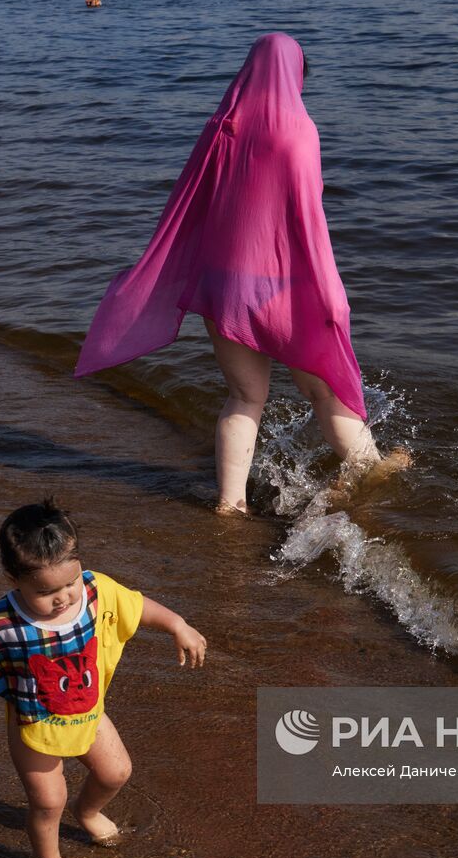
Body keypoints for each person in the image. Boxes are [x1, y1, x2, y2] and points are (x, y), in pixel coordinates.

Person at [75, 33, 409, 515]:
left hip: (222, 286)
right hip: (280, 289)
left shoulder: (221, 128)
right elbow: (309, 224)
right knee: (324, 389)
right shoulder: (299, 131)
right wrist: (332, 293)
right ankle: (368, 468)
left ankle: (230, 504)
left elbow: (191, 206)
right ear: (295, 76)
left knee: (244, 395)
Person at [0, 499, 207, 858]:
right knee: (48, 802)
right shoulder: (5, 622)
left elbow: (137, 605)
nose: (62, 597)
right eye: (46, 591)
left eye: (69, 583)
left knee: (116, 772)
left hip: (87, 712)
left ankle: (88, 810)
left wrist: (177, 624)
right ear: (14, 579)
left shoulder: (94, 592)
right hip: (35, 726)